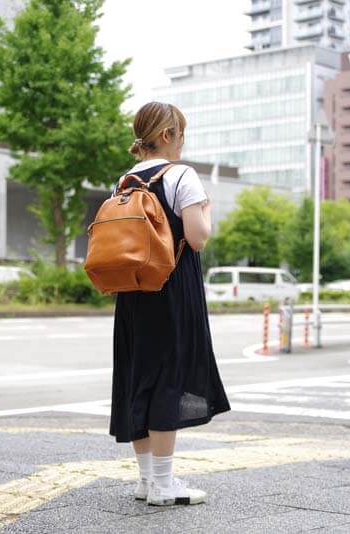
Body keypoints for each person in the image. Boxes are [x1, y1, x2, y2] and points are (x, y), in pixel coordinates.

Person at [109, 101, 231, 506]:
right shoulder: (182, 175)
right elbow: (197, 238)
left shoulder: (124, 180)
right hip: (172, 290)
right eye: (181, 135)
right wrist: (207, 211)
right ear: (166, 136)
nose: (182, 143)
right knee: (168, 378)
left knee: (139, 377)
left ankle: (146, 480)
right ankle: (163, 486)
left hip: (132, 292)